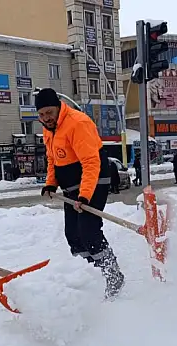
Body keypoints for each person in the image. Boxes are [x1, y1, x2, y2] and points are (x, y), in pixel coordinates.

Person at [36, 88, 125, 298]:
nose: (46, 118)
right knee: (73, 236)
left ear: (58, 107)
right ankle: (91, 274)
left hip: (94, 182)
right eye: (41, 115)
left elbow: (91, 162)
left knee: (89, 233)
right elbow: (53, 159)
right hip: (71, 187)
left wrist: (85, 196)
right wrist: (51, 183)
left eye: (49, 112)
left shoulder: (77, 123)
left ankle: (113, 276)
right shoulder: (49, 130)